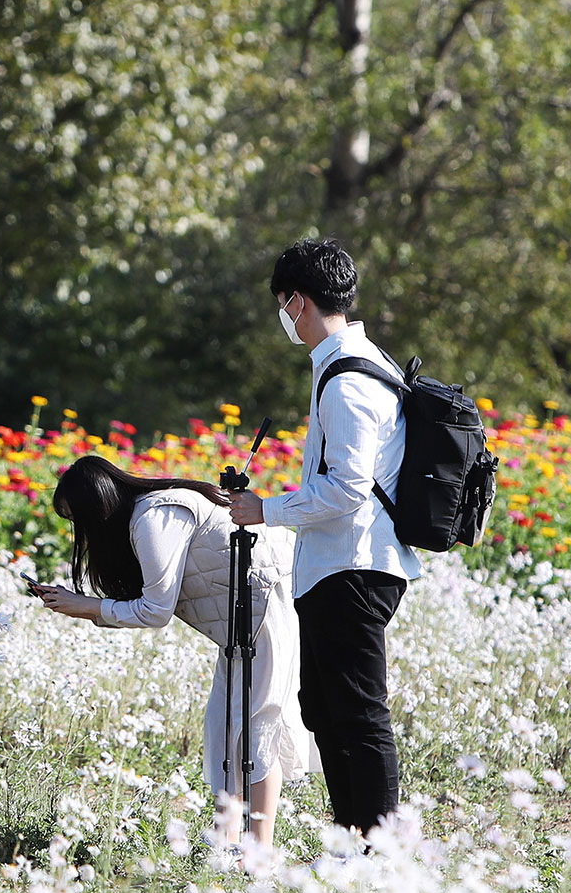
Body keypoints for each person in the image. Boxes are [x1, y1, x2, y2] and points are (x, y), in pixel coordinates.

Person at [227, 238, 421, 836]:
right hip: (342, 564)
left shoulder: (347, 380)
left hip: (354, 565)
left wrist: (265, 509)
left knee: (357, 713)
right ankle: (352, 841)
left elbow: (347, 490)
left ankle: (379, 851)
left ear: (299, 301)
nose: (283, 316)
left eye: (282, 303)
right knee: (326, 710)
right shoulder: (354, 364)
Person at [32, 455, 312, 847]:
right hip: (245, 612)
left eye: (78, 519)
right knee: (225, 726)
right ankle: (228, 840)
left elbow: (155, 610)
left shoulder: (154, 517)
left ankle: (259, 851)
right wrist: (89, 606)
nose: (80, 531)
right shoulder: (147, 515)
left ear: (98, 509)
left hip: (268, 598)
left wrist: (88, 607)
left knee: (256, 724)